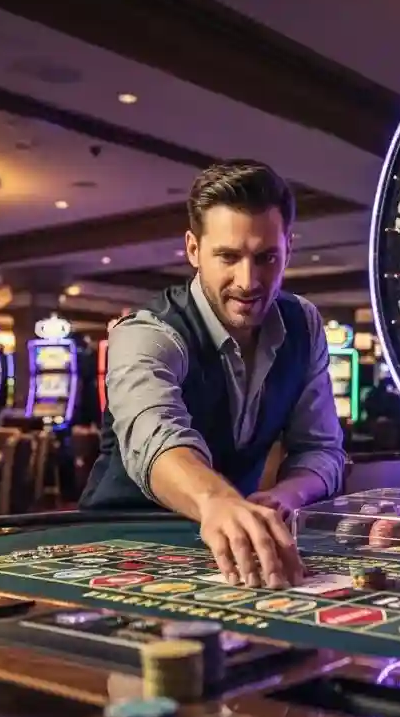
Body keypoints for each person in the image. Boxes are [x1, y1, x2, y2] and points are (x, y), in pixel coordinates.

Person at [79, 160, 345, 589]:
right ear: (192, 249)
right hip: (119, 544)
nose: (248, 279)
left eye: (266, 257)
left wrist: (283, 497)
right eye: (228, 256)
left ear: (288, 249)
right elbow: (157, 441)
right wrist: (216, 500)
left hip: (233, 544)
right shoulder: (147, 332)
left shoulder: (304, 324)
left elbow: (322, 451)